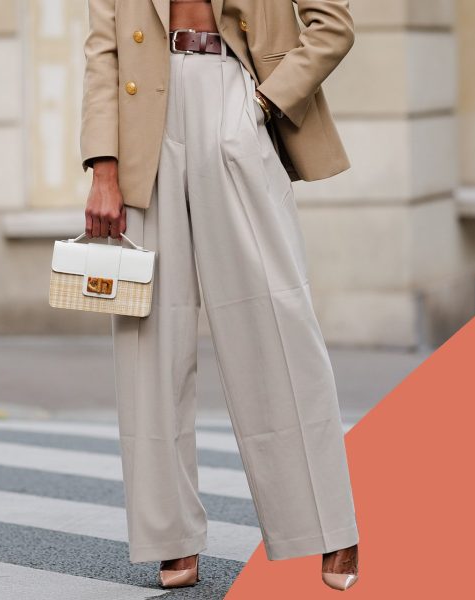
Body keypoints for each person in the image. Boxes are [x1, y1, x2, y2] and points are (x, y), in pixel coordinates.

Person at [80, 0, 359, 591]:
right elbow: (104, 51)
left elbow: (332, 24)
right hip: (143, 125)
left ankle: (328, 524)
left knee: (278, 325)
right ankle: (171, 536)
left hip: (237, 101)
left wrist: (263, 102)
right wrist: (103, 168)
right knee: (148, 338)